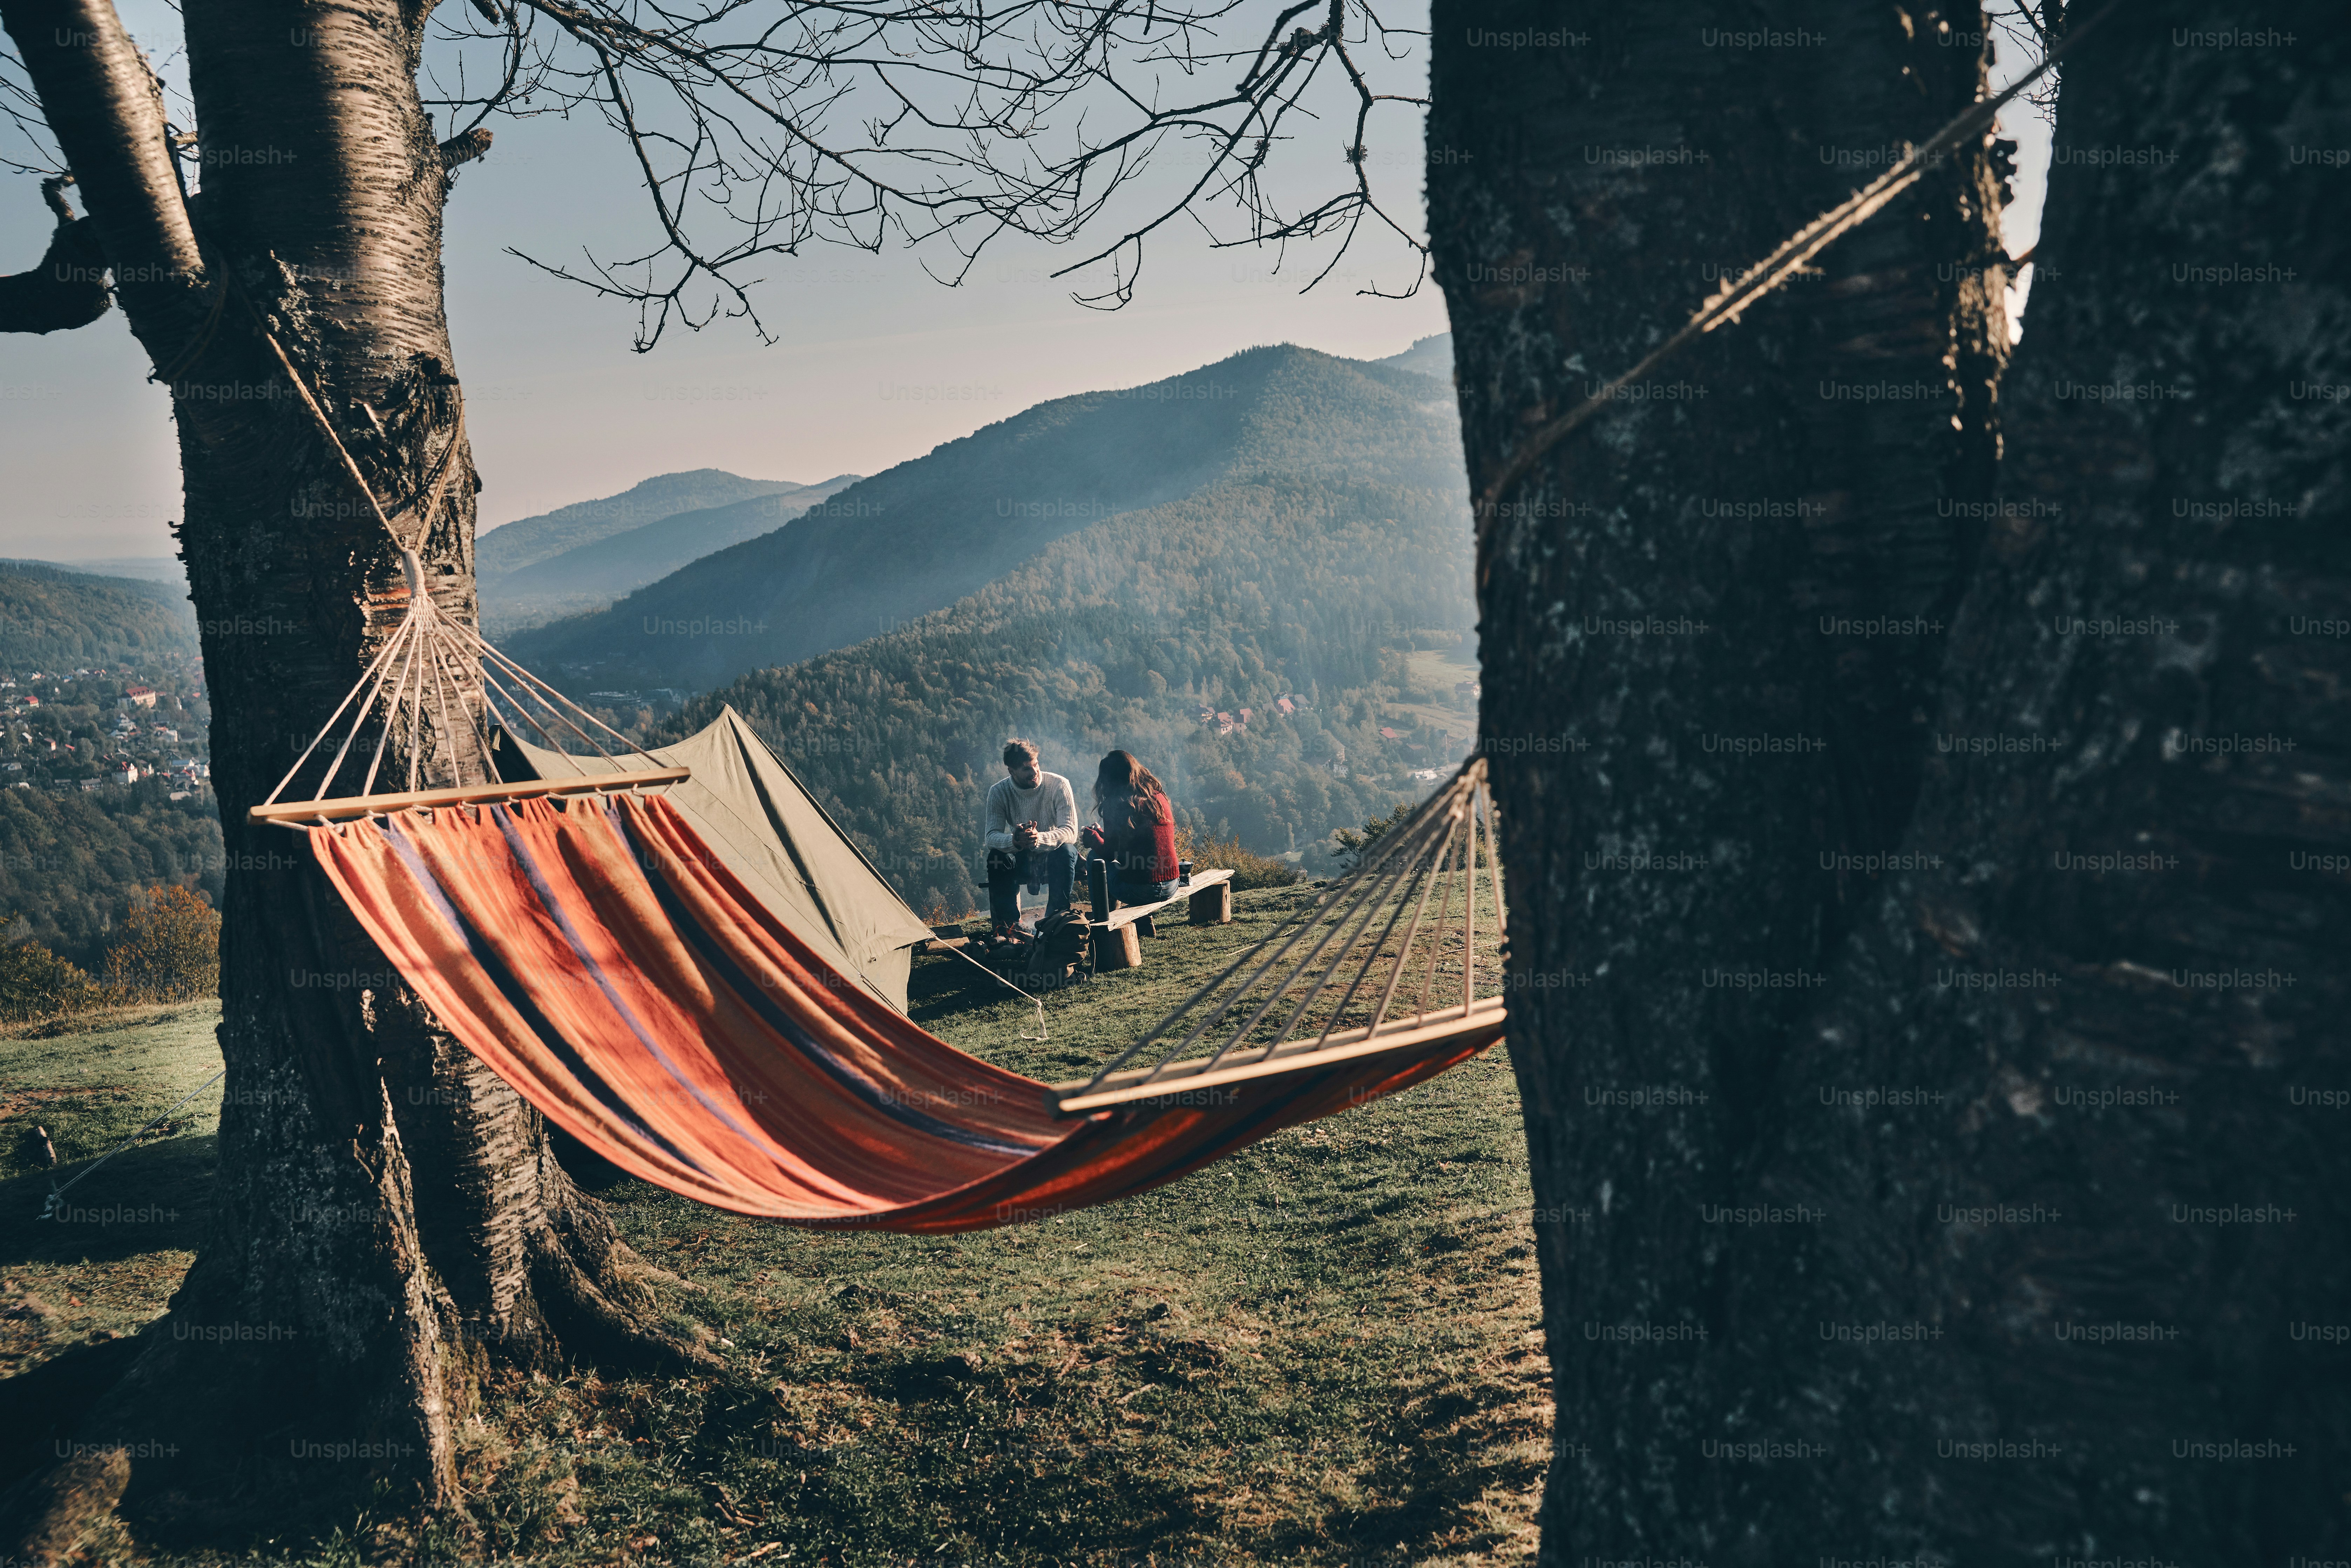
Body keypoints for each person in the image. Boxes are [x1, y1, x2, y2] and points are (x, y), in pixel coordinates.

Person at [982, 738, 1079, 941]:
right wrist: (1015, 841)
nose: (1035, 772)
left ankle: (1056, 919)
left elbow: (1070, 831)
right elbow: (991, 837)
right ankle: (1010, 928)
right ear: (1012, 772)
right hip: (1021, 857)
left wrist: (1039, 839)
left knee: (1067, 850)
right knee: (997, 857)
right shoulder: (998, 792)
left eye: (1036, 764)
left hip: (1053, 856)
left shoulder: (1059, 785)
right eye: (1027, 769)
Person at [1080, 749, 1181, 916]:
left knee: (1095, 858)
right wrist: (1101, 834)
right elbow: (1133, 842)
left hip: (1141, 890)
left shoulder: (1116, 804)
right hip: (1172, 884)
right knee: (1132, 870)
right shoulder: (1157, 796)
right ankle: (1143, 922)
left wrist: (1093, 838)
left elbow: (1110, 853)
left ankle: (1103, 916)